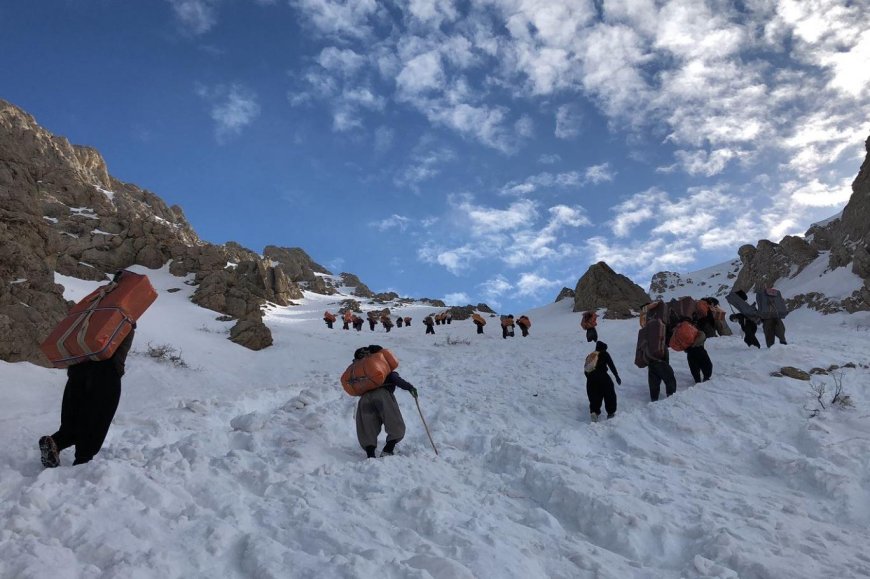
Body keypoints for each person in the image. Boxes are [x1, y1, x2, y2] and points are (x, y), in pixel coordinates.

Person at [39, 324, 136, 467]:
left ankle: (56, 442)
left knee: (73, 418)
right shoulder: (122, 321)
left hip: (77, 371)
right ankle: (82, 462)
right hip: (106, 374)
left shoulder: (89, 317)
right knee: (97, 421)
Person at [349, 345, 418, 459]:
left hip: (365, 398)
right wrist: (410, 388)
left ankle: (370, 454)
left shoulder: (360, 371)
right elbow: (396, 379)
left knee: (368, 425)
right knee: (393, 420)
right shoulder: (382, 367)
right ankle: (388, 449)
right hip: (382, 395)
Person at [584, 341, 620, 422]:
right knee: (609, 393)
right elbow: (611, 365)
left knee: (594, 395)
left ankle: (594, 412)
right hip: (602, 376)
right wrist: (616, 375)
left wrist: (590, 378)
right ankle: (611, 413)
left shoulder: (590, 355)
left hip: (590, 379)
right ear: (604, 348)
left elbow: (586, 370)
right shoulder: (604, 354)